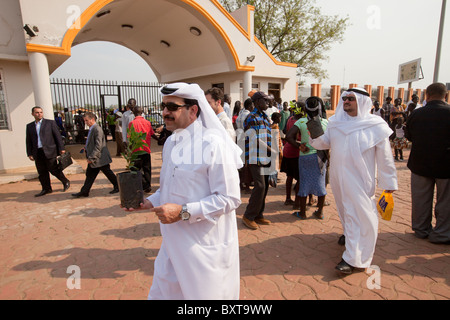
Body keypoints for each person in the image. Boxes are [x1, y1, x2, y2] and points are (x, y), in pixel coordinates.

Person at [124, 82, 243, 300]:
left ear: (193, 110)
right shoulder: (171, 143)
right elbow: (169, 188)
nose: (165, 113)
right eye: (164, 106)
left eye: (172, 107)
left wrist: (183, 212)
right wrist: (149, 201)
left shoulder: (213, 145)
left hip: (203, 251)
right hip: (171, 246)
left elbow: (230, 198)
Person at [309, 88, 398, 274]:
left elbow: (385, 157)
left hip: (360, 180)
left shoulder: (375, 125)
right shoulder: (336, 123)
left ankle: (354, 258)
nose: (347, 101)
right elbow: (322, 143)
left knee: (363, 216)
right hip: (338, 178)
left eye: (351, 98)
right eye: (345, 98)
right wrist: (314, 124)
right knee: (346, 211)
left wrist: (388, 185)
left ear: (363, 102)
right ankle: (351, 239)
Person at [405, 82, 450, 244]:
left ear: (427, 95)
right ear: (445, 96)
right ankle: (442, 233)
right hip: (446, 165)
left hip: (420, 163)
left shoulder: (417, 114)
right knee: (445, 200)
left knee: (420, 199)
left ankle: (421, 229)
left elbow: (409, 135)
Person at [286, 97, 328, 220]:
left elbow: (289, 136)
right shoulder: (326, 123)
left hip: (306, 156)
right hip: (321, 157)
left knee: (303, 183)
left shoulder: (301, 122)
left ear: (305, 108)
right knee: (321, 184)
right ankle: (319, 212)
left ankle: (302, 213)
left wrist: (299, 145)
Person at [241, 91, 274, 230]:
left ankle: (258, 214)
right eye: (265, 101)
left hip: (266, 156)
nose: (268, 103)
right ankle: (248, 216)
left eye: (268, 101)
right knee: (259, 185)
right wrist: (269, 149)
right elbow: (253, 138)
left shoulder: (266, 117)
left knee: (265, 186)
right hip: (255, 156)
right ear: (257, 101)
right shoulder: (251, 117)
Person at [72, 112, 119, 198]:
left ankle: (117, 186)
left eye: (86, 120)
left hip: (99, 158)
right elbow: (92, 142)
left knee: (106, 173)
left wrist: (92, 157)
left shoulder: (97, 129)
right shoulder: (92, 128)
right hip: (97, 158)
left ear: (92, 119)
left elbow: (98, 145)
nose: (85, 122)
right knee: (91, 174)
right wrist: (86, 148)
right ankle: (85, 191)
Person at [26, 106, 71, 197]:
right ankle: (46, 189)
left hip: (49, 150)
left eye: (41, 112)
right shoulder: (30, 126)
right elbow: (28, 140)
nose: (39, 114)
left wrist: (61, 148)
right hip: (37, 152)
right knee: (42, 172)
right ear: (32, 114)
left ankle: (65, 181)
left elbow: (57, 136)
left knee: (53, 169)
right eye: (37, 112)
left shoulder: (50, 123)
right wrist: (29, 153)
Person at [128, 106, 158, 193]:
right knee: (147, 169)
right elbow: (152, 134)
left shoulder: (132, 124)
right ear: (142, 113)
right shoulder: (147, 122)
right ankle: (147, 185)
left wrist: (129, 150)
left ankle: (144, 184)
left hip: (136, 150)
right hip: (146, 149)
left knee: (135, 169)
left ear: (133, 113)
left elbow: (130, 138)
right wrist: (159, 140)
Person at [280, 103, 303, 207]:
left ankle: (288, 198)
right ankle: (297, 202)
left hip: (288, 150)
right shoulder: (301, 122)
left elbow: (286, 131)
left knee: (289, 176)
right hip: (296, 151)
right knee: (299, 178)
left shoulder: (290, 119)